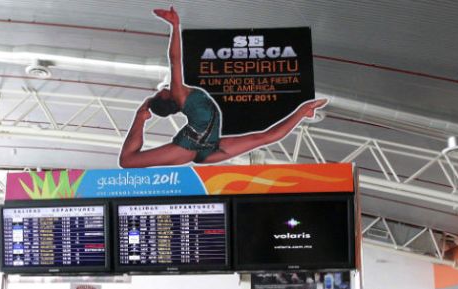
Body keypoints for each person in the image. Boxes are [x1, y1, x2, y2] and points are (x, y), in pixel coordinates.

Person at [119, 7, 327, 169]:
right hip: (191, 146)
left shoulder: (180, 97)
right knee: (127, 161)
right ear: (166, 97)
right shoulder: (178, 93)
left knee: (264, 137)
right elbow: (175, 60)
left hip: (208, 147)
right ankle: (139, 117)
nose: (160, 89)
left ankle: (303, 110)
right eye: (158, 93)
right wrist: (175, 26)